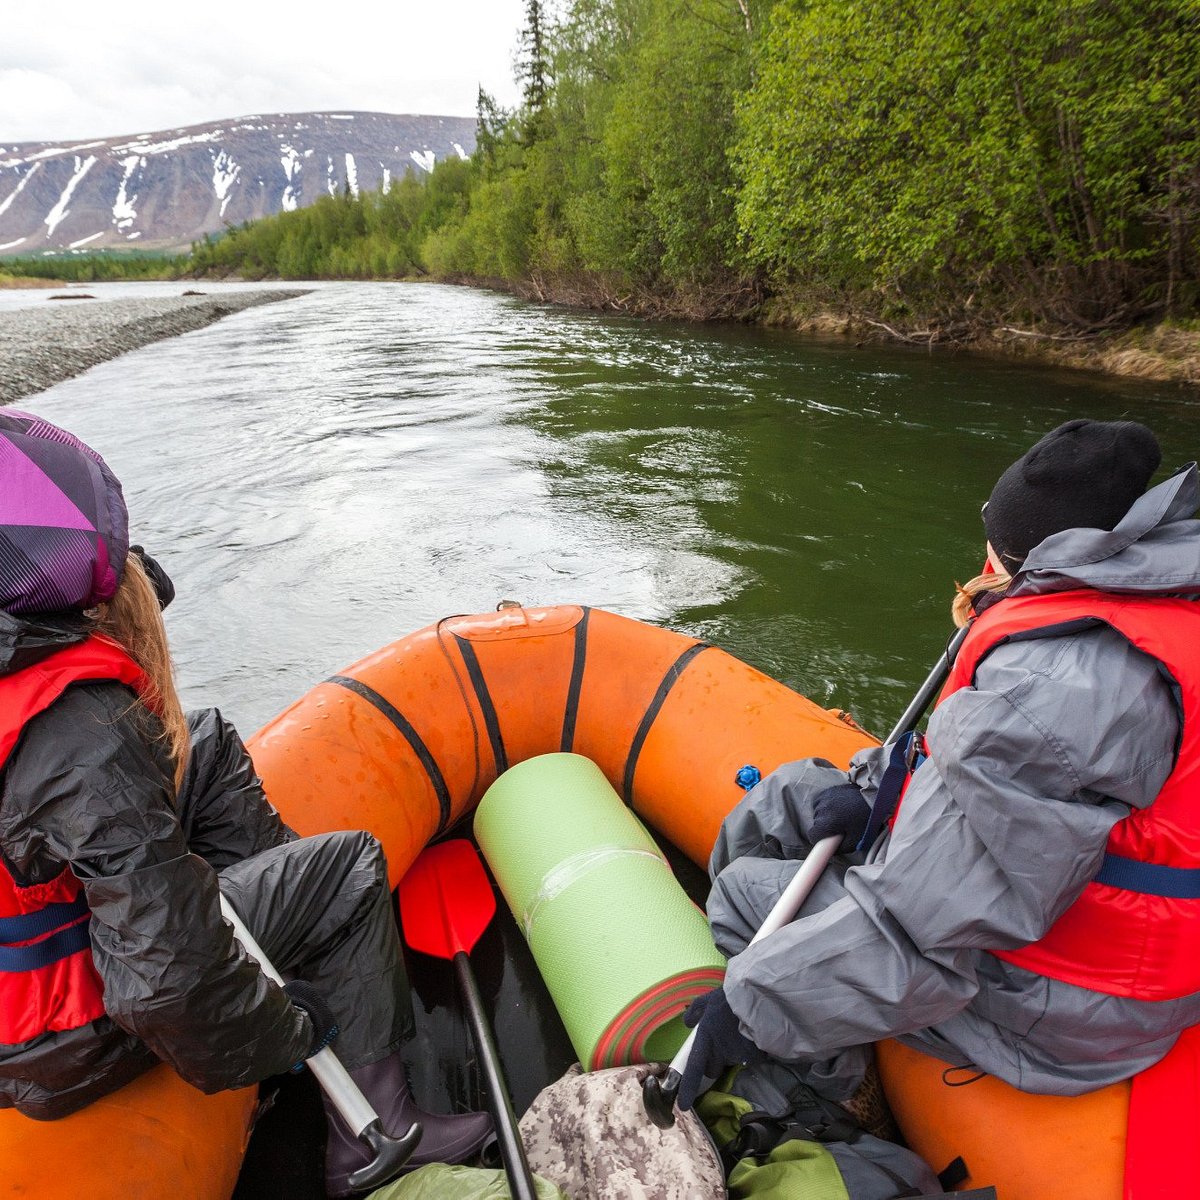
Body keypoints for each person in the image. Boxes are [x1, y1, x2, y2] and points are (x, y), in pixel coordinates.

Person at [0, 410, 492, 1197]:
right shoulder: (82, 729)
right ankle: (374, 1128)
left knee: (206, 740)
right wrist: (281, 1029)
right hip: (57, 1038)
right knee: (349, 867)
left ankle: (305, 942)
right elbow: (164, 984)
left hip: (29, 960)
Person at [678, 418, 1200, 1117]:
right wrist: (873, 793)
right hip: (1059, 902)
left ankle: (834, 1091)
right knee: (795, 796)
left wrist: (749, 1008)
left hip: (1073, 1002)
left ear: (1020, 551)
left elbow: (921, 931)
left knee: (745, 892)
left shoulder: (1054, 688)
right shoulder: (1146, 605)